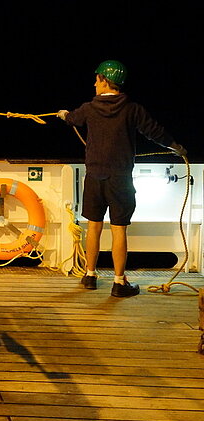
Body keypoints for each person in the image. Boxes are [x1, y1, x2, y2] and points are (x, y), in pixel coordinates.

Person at [58, 60, 186, 297]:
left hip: (94, 178)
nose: (94, 84)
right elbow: (154, 131)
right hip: (120, 179)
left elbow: (72, 118)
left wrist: (64, 114)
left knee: (94, 227)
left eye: (96, 79)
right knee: (119, 230)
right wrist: (175, 147)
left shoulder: (89, 108)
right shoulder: (132, 109)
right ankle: (119, 282)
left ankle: (90, 275)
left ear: (104, 80)